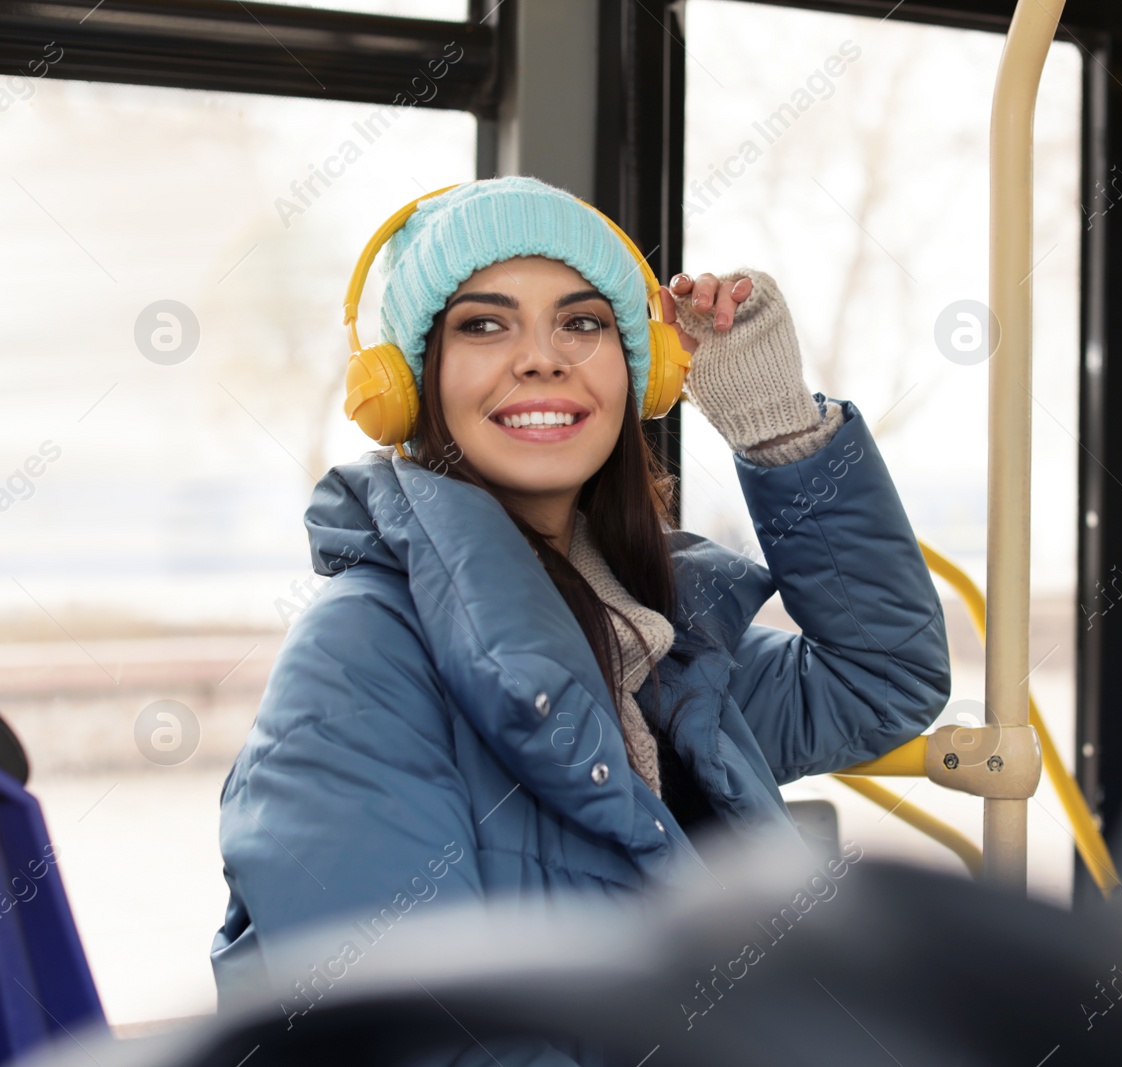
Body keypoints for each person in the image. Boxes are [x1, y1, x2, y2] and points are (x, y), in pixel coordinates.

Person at [209, 176, 951, 1061]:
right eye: (484, 325)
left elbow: (882, 679)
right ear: (410, 384)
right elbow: (405, 1035)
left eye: (583, 323)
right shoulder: (360, 656)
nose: (541, 358)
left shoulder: (657, 638)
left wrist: (777, 426)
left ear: (642, 370)